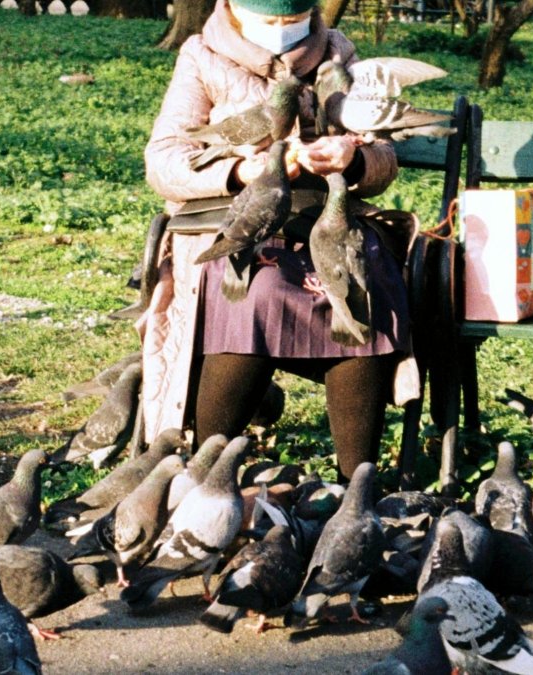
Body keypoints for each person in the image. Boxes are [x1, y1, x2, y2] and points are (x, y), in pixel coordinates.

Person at [140, 0, 417, 481]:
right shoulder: (202, 56)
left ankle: (359, 485)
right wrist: (243, 170)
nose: (284, 34)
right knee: (254, 290)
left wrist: (351, 158)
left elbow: (383, 154)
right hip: (237, 220)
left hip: (326, 219)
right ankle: (206, 472)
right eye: (271, 23)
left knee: (361, 285)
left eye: (294, 23)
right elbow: (163, 161)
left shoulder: (338, 54)